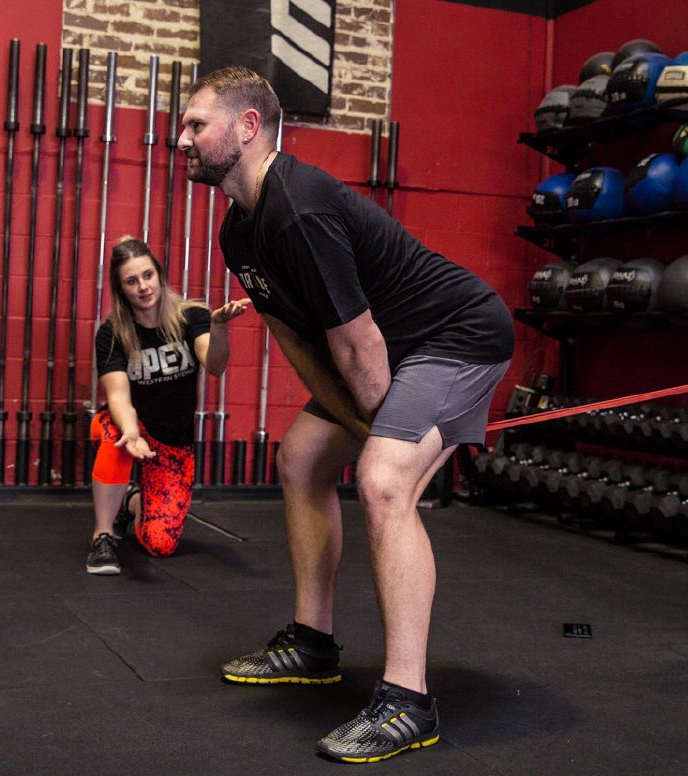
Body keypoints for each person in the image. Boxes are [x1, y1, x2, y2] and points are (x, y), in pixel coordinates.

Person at [178, 67, 515, 764]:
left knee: (385, 482)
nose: (181, 138)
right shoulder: (239, 232)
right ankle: (312, 643)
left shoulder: (299, 208)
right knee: (301, 459)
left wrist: (386, 443)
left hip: (454, 335)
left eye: (195, 124)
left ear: (248, 127)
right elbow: (300, 346)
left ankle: (409, 701)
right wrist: (365, 427)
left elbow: (359, 349)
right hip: (389, 349)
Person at [86, 236, 249, 575]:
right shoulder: (112, 333)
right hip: (132, 424)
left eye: (147, 275)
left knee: (159, 544)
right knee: (115, 435)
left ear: (159, 275)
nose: (143, 287)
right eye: (132, 281)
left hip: (172, 440)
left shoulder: (191, 316)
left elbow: (215, 364)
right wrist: (131, 433)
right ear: (121, 289)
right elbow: (118, 396)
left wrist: (219, 328)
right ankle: (103, 536)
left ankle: (130, 501)